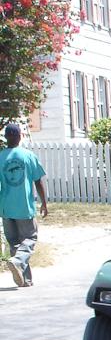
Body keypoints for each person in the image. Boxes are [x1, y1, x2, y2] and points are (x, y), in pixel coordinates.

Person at [0, 123, 48, 288]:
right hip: (24, 207)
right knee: (30, 238)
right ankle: (17, 261)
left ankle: (25, 280)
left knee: (14, 242)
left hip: (6, 207)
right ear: (20, 136)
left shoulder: (0, 157)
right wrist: (44, 203)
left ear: (6, 137)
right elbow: (38, 181)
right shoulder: (28, 155)